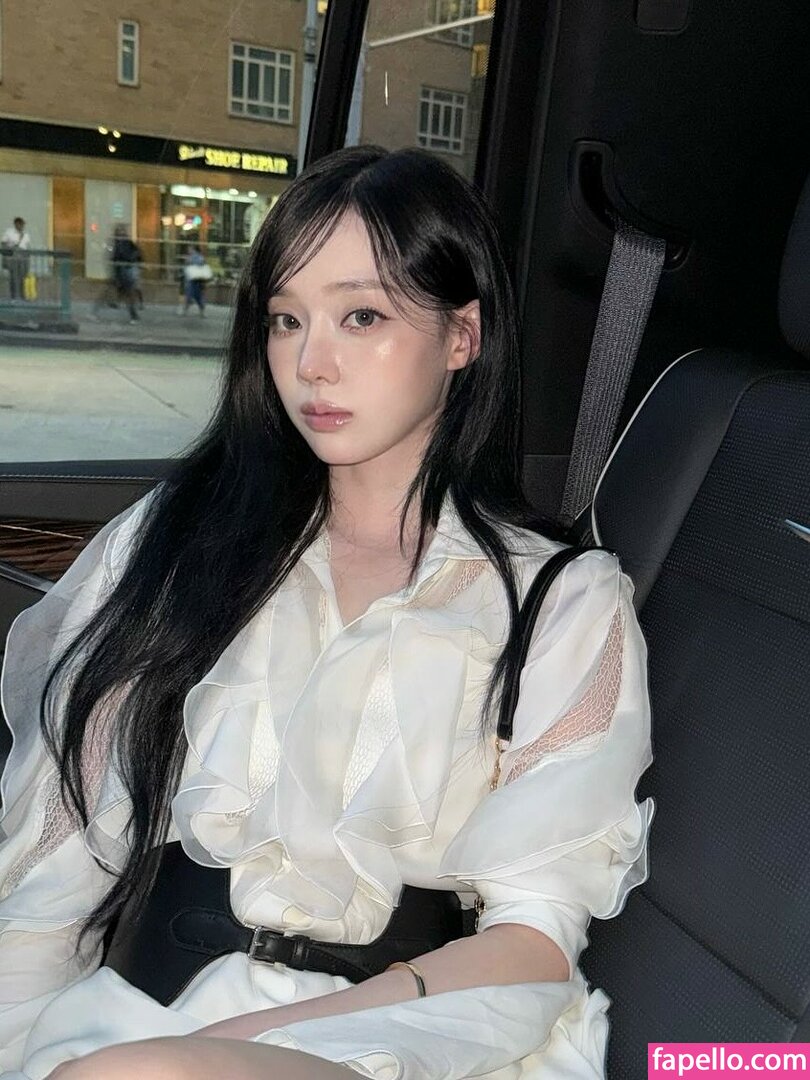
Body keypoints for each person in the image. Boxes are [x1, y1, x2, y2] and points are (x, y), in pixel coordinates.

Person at [0, 147, 652, 1080]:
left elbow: (534, 942)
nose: (311, 363)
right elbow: (54, 863)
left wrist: (235, 1044)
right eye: (285, 319)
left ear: (462, 336)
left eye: (362, 316)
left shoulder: (560, 600)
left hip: (418, 1030)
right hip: (141, 1006)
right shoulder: (178, 542)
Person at [1, 217, 31, 301]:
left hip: (23, 257)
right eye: (20, 224)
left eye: (23, 224)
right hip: (13, 257)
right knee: (14, 277)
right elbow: (3, 244)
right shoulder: (9, 232)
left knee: (23, 277)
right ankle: (13, 296)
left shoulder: (26, 235)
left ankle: (22, 295)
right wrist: (11, 248)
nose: (22, 226)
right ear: (16, 224)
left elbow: (27, 246)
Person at [182, 243, 209, 316]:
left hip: (193, 281)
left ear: (193, 249)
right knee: (198, 297)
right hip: (197, 281)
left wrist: (188, 261)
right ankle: (202, 312)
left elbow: (187, 268)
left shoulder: (192, 257)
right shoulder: (199, 257)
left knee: (190, 296)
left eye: (190, 249)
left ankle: (185, 311)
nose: (188, 250)